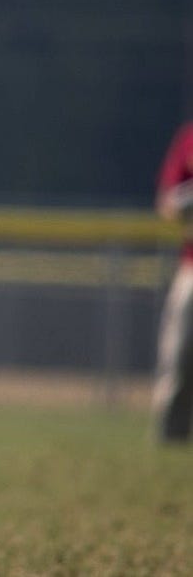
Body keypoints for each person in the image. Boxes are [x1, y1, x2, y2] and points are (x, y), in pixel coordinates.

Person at [154, 120, 193, 444]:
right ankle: (172, 435)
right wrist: (185, 200)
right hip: (192, 267)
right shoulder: (190, 137)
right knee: (179, 353)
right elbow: (167, 203)